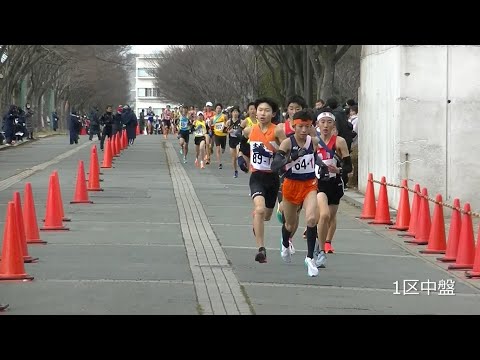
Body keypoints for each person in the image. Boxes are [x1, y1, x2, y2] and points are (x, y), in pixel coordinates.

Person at [271, 109, 328, 277]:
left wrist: (323, 166)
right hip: (291, 185)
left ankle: (310, 258)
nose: (304, 130)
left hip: (309, 184)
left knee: (311, 218)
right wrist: (292, 157)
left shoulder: (314, 142)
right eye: (300, 127)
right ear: (294, 126)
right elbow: (275, 166)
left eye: (307, 126)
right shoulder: (287, 143)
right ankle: (285, 242)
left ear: (311, 126)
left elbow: (313, 158)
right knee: (290, 224)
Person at [235, 97, 281, 263]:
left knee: (266, 216)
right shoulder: (249, 130)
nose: (262, 113)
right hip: (257, 176)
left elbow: (288, 150)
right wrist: (241, 158)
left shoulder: (277, 131)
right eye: (260, 110)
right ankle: (261, 250)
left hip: (273, 177)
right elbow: (244, 147)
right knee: (260, 210)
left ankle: (257, 218)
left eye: (267, 110)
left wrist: (281, 156)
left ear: (273, 113)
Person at [314, 109, 352, 266]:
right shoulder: (313, 141)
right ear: (317, 124)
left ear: (333, 125)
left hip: (335, 183)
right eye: (322, 122)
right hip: (318, 184)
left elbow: (349, 166)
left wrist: (339, 170)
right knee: (323, 216)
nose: (325, 126)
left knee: (329, 217)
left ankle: (320, 243)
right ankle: (321, 251)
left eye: (329, 122)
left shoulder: (339, 142)